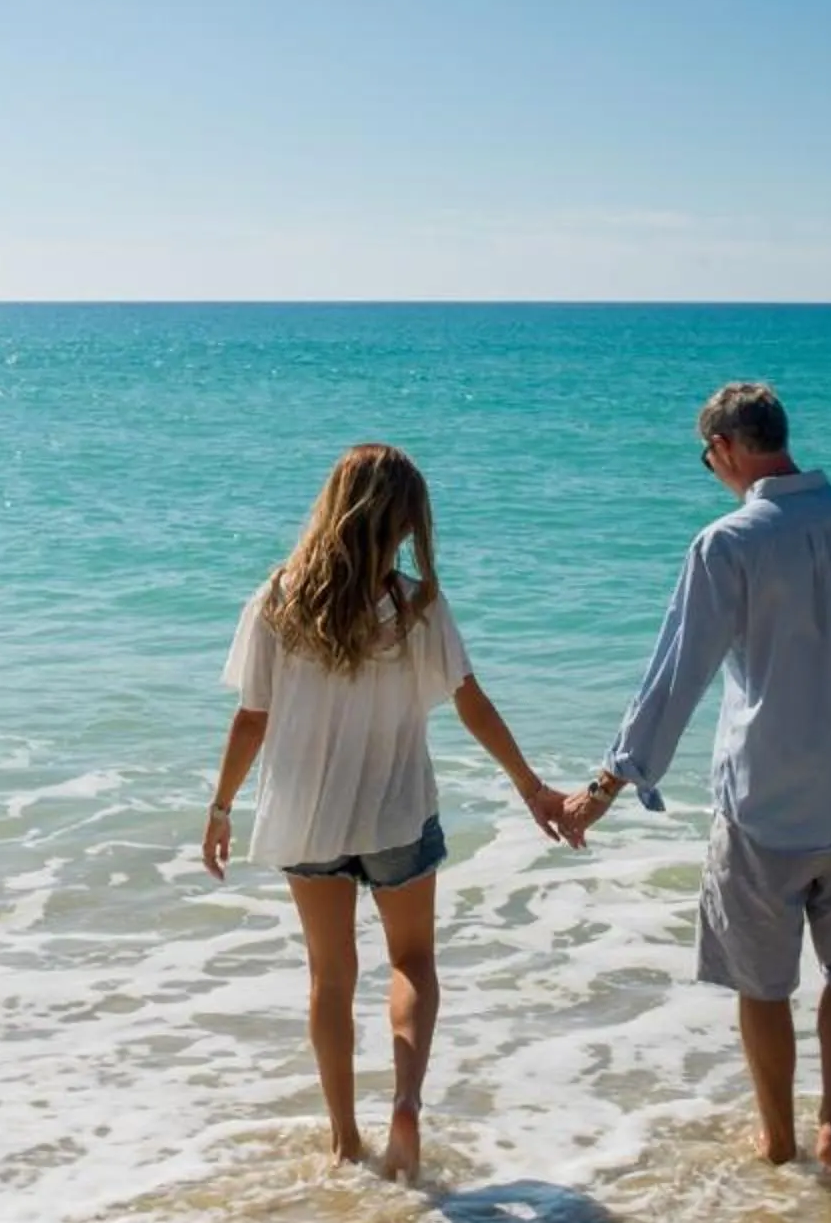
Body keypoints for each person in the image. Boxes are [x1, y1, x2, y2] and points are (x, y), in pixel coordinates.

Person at [559, 382, 831, 1191]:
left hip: (763, 808)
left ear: (728, 449)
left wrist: (608, 782)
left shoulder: (727, 543)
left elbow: (676, 676)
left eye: (709, 460)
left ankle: (778, 1141)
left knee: (763, 987)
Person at [202, 442, 569, 1182]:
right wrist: (532, 787)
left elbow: (251, 718)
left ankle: (343, 1138)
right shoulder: (416, 606)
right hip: (398, 815)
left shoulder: (278, 598)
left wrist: (221, 806)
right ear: (404, 524)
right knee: (413, 963)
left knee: (329, 978)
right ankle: (405, 1102)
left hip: (307, 820)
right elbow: (470, 701)